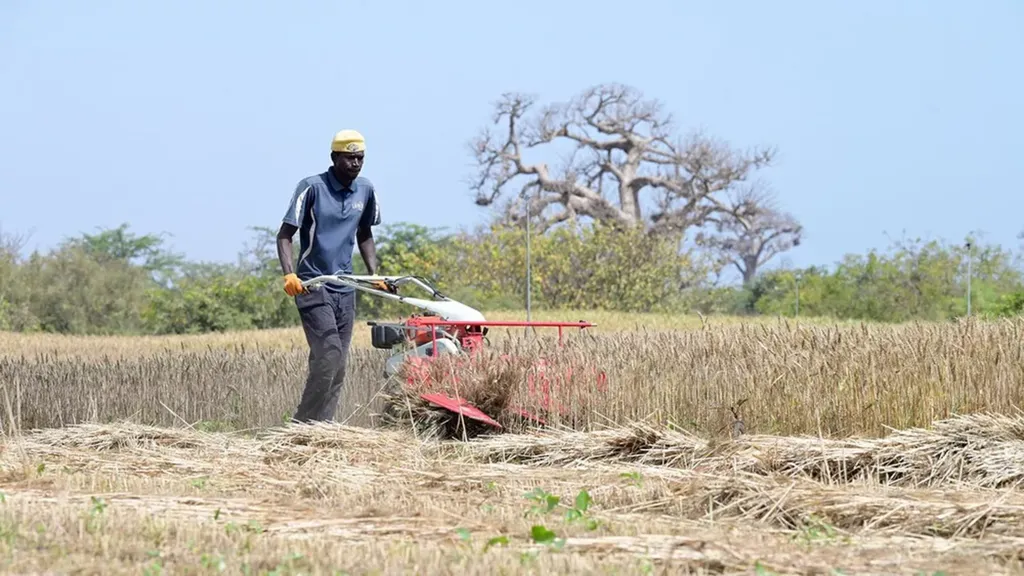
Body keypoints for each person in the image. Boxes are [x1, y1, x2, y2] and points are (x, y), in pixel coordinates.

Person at [276, 129, 384, 423]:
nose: (355, 163)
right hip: (312, 285)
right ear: (334, 157)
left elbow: (365, 233)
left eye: (360, 158)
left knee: (338, 365)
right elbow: (285, 235)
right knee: (329, 355)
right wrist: (289, 275)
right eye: (349, 158)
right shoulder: (312, 188)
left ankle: (322, 426)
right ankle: (302, 423)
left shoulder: (365, 190)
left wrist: (374, 274)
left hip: (345, 288)